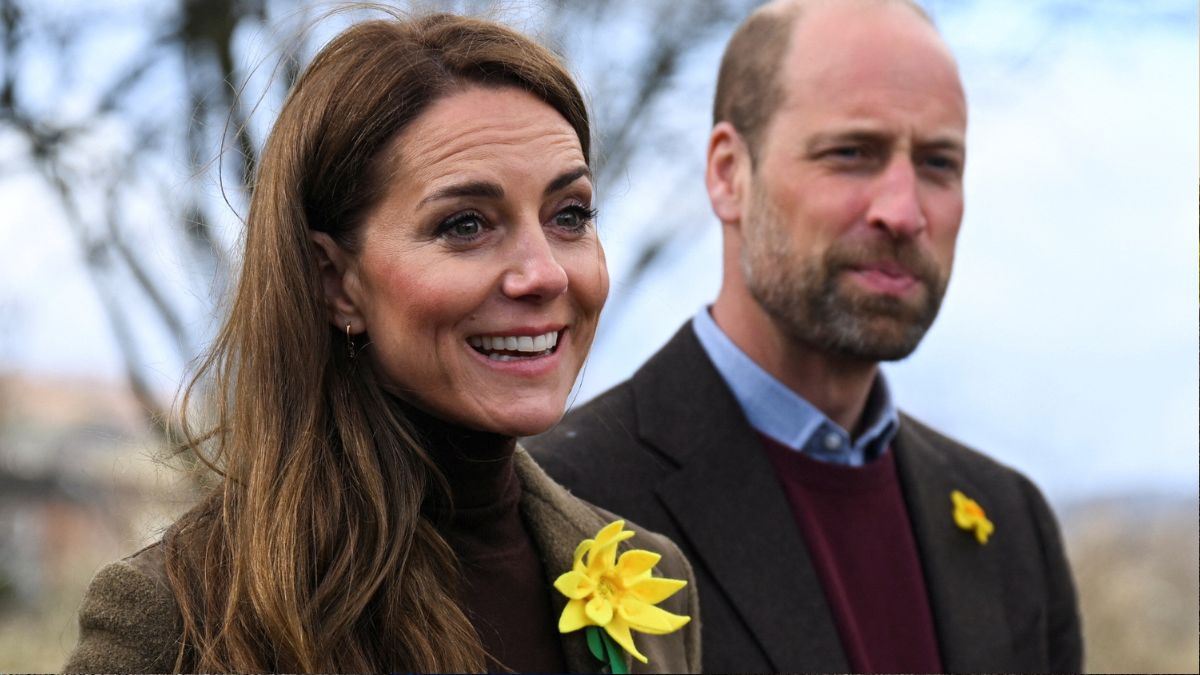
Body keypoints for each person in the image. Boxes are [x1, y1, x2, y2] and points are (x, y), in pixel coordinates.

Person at [63, 13, 700, 674]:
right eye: (466, 225)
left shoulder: (652, 576)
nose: (545, 274)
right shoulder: (180, 617)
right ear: (335, 282)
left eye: (570, 215)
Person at [528, 0, 1083, 672]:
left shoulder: (1012, 525)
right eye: (851, 153)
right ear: (729, 174)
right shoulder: (558, 505)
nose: (903, 212)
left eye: (939, 163)